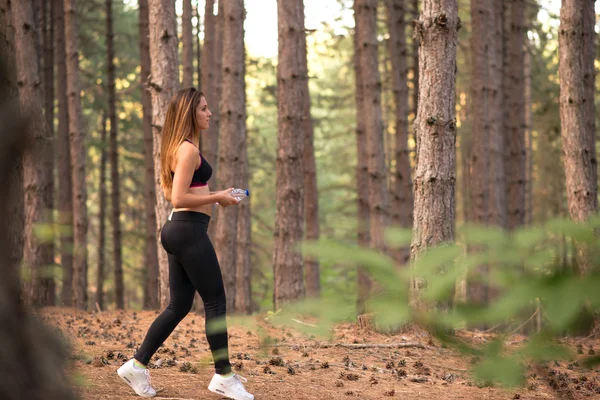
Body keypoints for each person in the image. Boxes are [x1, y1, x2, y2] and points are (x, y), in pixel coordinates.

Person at [117, 87, 254, 400]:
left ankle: (137, 365)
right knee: (216, 303)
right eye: (204, 108)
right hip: (188, 231)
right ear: (190, 113)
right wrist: (217, 197)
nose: (209, 113)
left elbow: (172, 194)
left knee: (178, 306)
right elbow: (178, 198)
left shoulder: (177, 147)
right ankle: (224, 376)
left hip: (178, 229)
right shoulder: (188, 149)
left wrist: (215, 197)